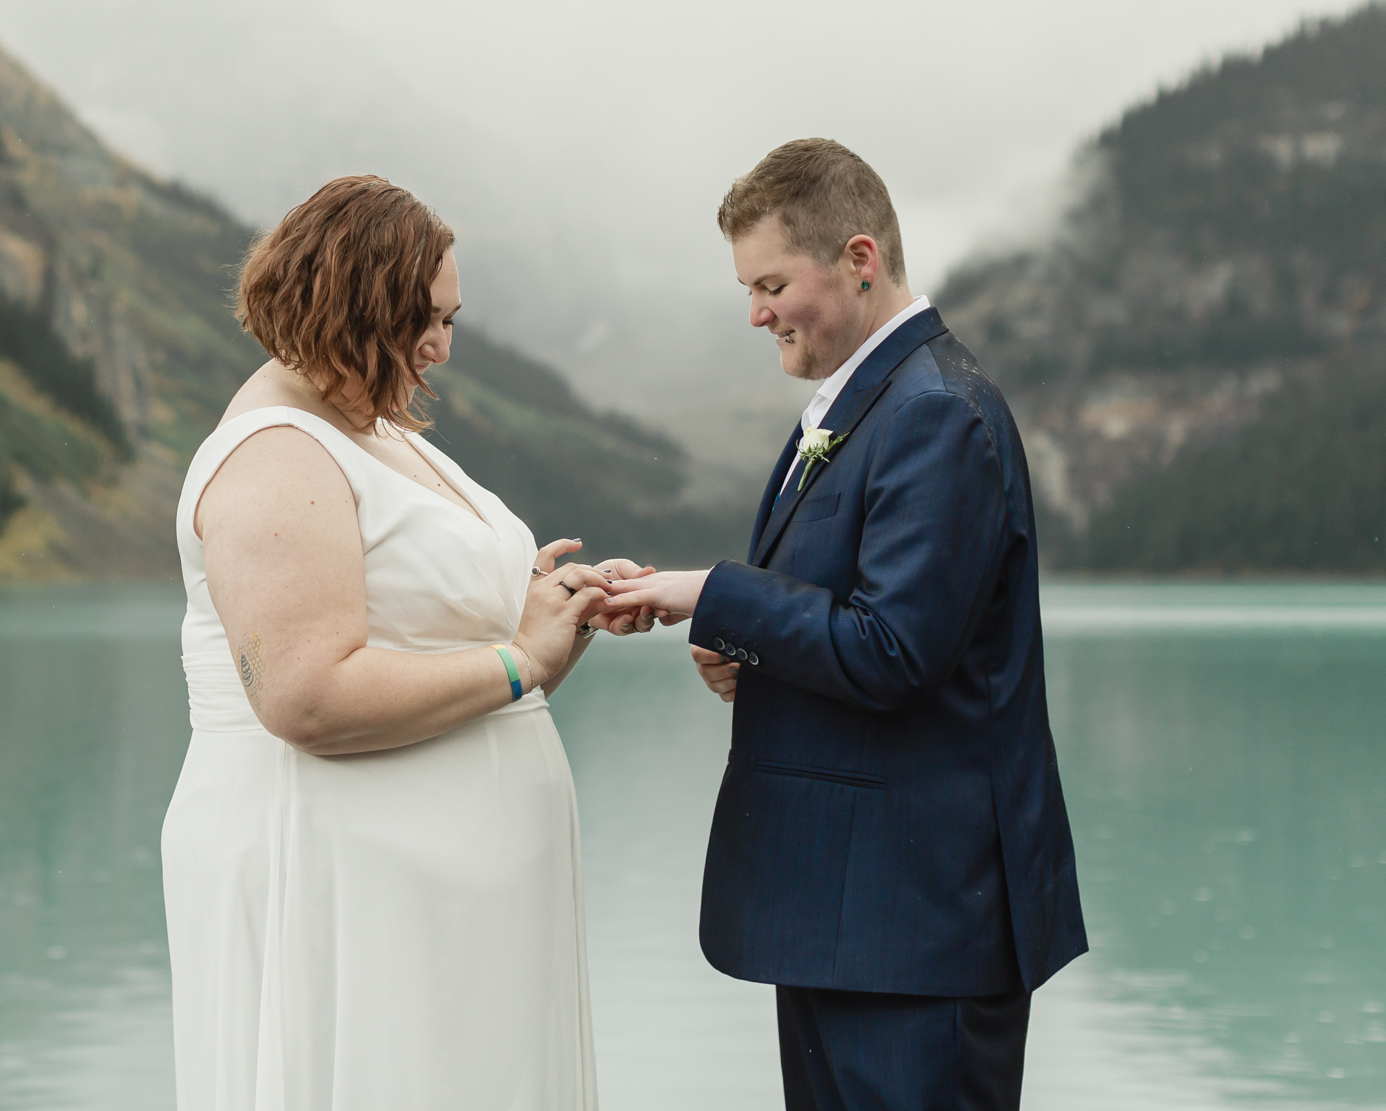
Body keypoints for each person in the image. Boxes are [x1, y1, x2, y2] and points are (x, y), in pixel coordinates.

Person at [604, 138, 1087, 1111]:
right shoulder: (863, 404)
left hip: (916, 932)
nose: (756, 313)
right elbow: (848, 612)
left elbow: (894, 650)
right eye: (748, 289)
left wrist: (714, 593)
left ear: (859, 259)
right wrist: (740, 646)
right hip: (849, 919)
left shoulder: (938, 413)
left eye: (772, 282)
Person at [161, 175, 646, 1110]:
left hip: (449, 905)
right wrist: (519, 661)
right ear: (347, 303)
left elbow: (416, 606)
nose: (442, 346)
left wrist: (540, 605)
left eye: (451, 318)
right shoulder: (274, 451)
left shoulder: (374, 427)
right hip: (352, 892)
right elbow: (304, 696)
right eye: (422, 318)